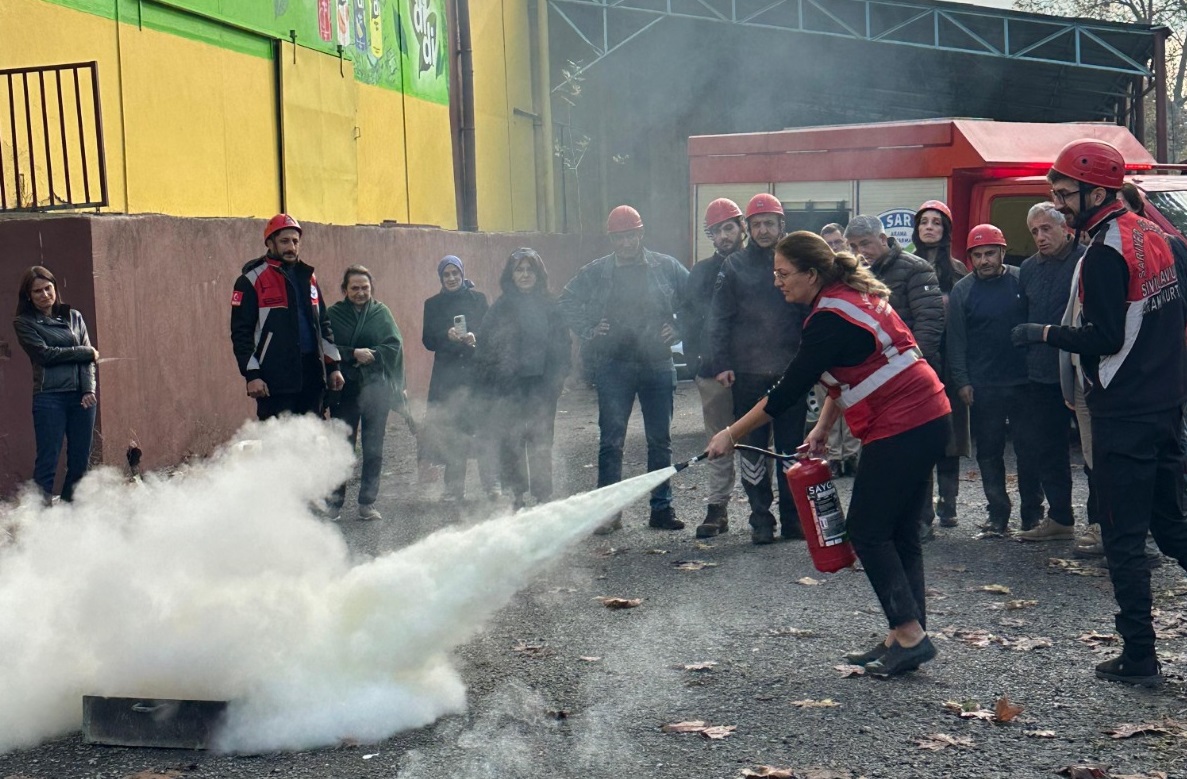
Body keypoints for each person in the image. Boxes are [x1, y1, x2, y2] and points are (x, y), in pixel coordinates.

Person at [706, 232, 950, 677]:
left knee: (867, 529)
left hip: (905, 423)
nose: (777, 282)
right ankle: (906, 636)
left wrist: (730, 432)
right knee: (898, 532)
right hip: (926, 417)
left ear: (811, 274)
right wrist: (822, 428)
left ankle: (910, 634)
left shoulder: (829, 317)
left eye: (784, 274)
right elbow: (848, 372)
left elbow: (789, 390)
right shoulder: (846, 298)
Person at [1013, 138, 1187, 686]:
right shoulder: (1159, 235)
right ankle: (1138, 652)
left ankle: (1139, 656)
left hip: (1122, 413)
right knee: (1171, 525)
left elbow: (1104, 337)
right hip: (1164, 404)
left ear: (1095, 190)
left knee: (1122, 537)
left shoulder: (1103, 252)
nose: (1059, 204)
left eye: (1065, 193)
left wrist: (1041, 333)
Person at [560, 205, 688, 534]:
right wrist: (589, 327)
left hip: (657, 363)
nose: (625, 242)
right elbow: (566, 299)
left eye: (630, 235)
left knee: (660, 441)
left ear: (640, 234)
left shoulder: (666, 267)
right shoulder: (597, 271)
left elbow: (696, 300)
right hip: (613, 366)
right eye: (619, 237)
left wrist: (679, 328)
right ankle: (608, 513)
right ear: (612, 238)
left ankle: (661, 509)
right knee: (610, 442)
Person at [706, 193, 807, 545]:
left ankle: (794, 521)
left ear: (782, 226)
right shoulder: (733, 266)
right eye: (756, 224)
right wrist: (722, 363)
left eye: (769, 223)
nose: (763, 230)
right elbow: (718, 318)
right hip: (747, 374)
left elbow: (811, 313)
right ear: (748, 228)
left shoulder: (797, 262)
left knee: (791, 450)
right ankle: (760, 520)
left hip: (791, 372)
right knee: (751, 448)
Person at [844, 214, 945, 541]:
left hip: (910, 380)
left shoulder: (915, 269)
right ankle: (888, 518)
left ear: (883, 239)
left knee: (914, 452)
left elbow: (929, 326)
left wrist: (907, 371)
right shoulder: (855, 277)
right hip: (872, 382)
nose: (861, 252)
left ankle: (920, 519)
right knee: (881, 452)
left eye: (866, 244)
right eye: (854, 246)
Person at [946, 225, 1030, 537]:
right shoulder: (963, 291)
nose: (984, 260)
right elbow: (956, 341)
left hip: (1023, 381)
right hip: (983, 385)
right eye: (978, 255)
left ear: (1002, 253)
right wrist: (962, 381)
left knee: (1028, 450)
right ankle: (998, 514)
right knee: (989, 453)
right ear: (970, 259)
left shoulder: (1022, 279)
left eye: (990, 253)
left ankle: (1032, 514)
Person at [475, 249, 571, 510]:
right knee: (511, 443)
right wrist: (493, 386)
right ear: (511, 274)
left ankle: (543, 498)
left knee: (541, 442)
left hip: (542, 388)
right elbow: (484, 349)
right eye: (520, 269)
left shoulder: (552, 306)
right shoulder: (500, 308)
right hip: (509, 390)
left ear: (539, 274)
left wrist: (556, 381)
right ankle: (515, 497)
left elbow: (563, 348)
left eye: (530, 270)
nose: (525, 275)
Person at [1013, 203, 1083, 542]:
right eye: (1034, 231)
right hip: (1040, 373)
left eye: (1046, 229)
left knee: (1093, 452)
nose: (1040, 237)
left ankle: (1100, 523)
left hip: (1081, 371)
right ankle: (1060, 518)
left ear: (1064, 227)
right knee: (1049, 450)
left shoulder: (1085, 260)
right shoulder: (1028, 268)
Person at [231, 214, 344, 420]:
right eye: (284, 241)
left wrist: (333, 367)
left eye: (295, 241)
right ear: (270, 243)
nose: (291, 246)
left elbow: (323, 325)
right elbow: (241, 334)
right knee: (278, 446)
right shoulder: (250, 280)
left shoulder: (309, 277)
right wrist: (252, 375)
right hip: (275, 380)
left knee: (311, 442)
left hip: (311, 376)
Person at [679, 198, 744, 538]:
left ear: (740, 228)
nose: (723, 236)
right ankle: (717, 509)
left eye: (728, 228)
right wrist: (698, 365)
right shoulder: (701, 273)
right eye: (717, 231)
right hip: (712, 372)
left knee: (757, 441)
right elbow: (689, 320)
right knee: (718, 440)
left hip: (752, 371)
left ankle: (765, 512)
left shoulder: (759, 266)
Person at [908, 200, 971, 529]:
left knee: (951, 433)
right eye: (924, 222)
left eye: (936, 222)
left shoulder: (958, 270)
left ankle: (949, 503)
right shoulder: (904, 266)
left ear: (945, 230)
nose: (929, 227)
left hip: (950, 361)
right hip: (917, 362)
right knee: (921, 435)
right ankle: (922, 511)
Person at [13, 266, 99, 503]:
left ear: (55, 288)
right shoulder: (24, 323)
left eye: (48, 288)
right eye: (37, 291)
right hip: (49, 398)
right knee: (47, 462)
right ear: (28, 295)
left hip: (82, 398)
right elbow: (45, 355)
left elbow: (89, 362)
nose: (44, 294)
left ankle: (69, 516)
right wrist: (84, 351)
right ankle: (41, 521)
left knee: (80, 461)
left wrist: (89, 389)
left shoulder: (75, 317)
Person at [325, 265, 404, 521]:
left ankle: (367, 502)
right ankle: (334, 504)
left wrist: (375, 355)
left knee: (374, 447)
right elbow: (326, 345)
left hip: (375, 390)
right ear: (345, 290)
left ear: (372, 289)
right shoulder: (333, 315)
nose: (360, 293)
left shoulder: (382, 313)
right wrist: (352, 354)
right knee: (342, 446)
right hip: (344, 389)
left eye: (365, 288)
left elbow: (394, 345)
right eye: (355, 288)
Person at [422, 255, 496, 502]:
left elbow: (490, 332)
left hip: (477, 375)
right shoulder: (432, 304)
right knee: (453, 431)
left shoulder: (479, 299)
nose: (452, 278)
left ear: (462, 274)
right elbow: (428, 340)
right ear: (441, 278)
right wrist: (447, 335)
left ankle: (491, 485)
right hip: (448, 378)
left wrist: (475, 337)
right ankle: (454, 489)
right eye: (447, 274)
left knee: (484, 429)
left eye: (455, 273)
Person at [813, 223, 862, 478]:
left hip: (850, 351)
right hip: (826, 350)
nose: (834, 247)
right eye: (828, 244)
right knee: (826, 404)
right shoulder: (817, 276)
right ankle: (833, 456)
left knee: (851, 404)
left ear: (844, 242)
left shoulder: (854, 271)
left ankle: (852, 455)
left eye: (836, 242)